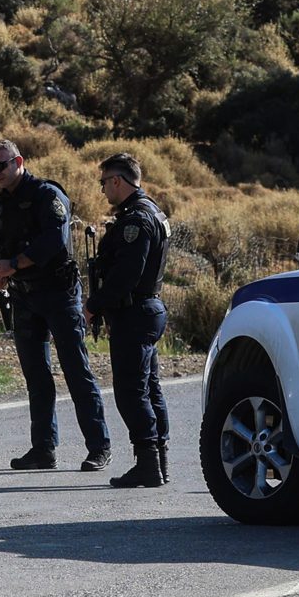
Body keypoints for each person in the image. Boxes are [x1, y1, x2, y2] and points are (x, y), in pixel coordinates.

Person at [0, 140, 110, 472]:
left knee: (76, 371)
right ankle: (43, 449)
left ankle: (99, 446)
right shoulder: (0, 206)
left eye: (1, 166)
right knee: (36, 375)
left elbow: (52, 240)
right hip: (23, 297)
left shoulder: (47, 195)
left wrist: (14, 264)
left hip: (58, 293)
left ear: (18, 161)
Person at [87, 153, 171, 489]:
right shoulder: (152, 211)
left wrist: (95, 305)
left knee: (131, 391)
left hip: (135, 311)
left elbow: (126, 276)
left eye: (104, 182)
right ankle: (158, 461)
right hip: (146, 309)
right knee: (149, 388)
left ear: (118, 181)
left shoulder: (135, 219)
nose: (103, 189)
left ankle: (149, 463)